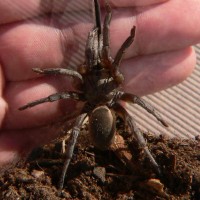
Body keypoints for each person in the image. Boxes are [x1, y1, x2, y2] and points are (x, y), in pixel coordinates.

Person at [0, 0, 199, 167]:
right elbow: (114, 56)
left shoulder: (85, 87)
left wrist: (128, 38)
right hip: (100, 110)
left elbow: (110, 58)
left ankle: (146, 153)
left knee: (87, 123)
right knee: (122, 113)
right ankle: (148, 155)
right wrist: (127, 38)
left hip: (95, 109)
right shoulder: (111, 77)